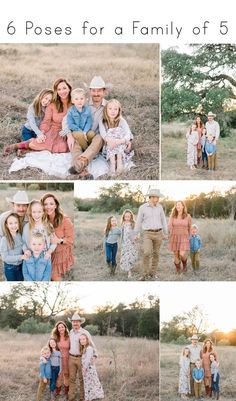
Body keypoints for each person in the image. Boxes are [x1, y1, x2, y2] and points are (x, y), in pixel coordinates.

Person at [68, 76, 108, 177]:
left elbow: (120, 120)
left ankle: (80, 164)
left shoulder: (108, 106)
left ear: (104, 91)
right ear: (90, 91)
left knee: (100, 138)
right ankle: (83, 172)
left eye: (99, 91)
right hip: (81, 135)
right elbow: (66, 120)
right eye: (93, 90)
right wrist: (69, 135)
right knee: (74, 143)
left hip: (94, 139)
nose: (96, 93)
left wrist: (128, 138)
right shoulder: (82, 101)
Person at [28, 78, 72, 153]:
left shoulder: (75, 102)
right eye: (59, 89)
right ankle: (20, 146)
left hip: (66, 133)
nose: (62, 91)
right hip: (52, 131)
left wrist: (69, 132)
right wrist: (42, 133)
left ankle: (46, 147)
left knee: (64, 148)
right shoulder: (52, 104)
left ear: (69, 88)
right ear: (56, 92)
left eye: (64, 88)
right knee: (34, 144)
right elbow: (46, 121)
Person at [3, 89, 53, 154]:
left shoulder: (47, 109)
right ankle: (15, 148)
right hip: (28, 131)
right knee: (30, 143)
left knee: (39, 144)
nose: (46, 102)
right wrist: (39, 134)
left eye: (49, 101)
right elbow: (32, 123)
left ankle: (23, 150)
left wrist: (41, 133)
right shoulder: (32, 107)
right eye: (46, 98)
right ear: (41, 96)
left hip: (38, 132)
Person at [134, 188, 168, 280]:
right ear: (151, 197)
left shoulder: (160, 207)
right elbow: (138, 221)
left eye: (158, 198)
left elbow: (163, 220)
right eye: (155, 197)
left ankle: (153, 273)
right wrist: (135, 233)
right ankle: (144, 274)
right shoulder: (143, 208)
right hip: (147, 233)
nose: (157, 199)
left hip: (159, 233)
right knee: (147, 252)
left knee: (156, 253)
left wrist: (166, 232)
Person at [41, 193, 74, 281]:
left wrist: (59, 240)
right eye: (45, 204)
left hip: (60, 252)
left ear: (56, 205)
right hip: (47, 252)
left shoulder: (65, 220)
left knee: (53, 276)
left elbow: (70, 240)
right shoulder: (43, 219)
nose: (48, 207)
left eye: (51, 204)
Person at [68, 312, 97, 401]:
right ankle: (71, 397)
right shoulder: (71, 332)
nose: (75, 323)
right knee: (71, 379)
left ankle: (82, 397)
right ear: (72, 322)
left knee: (82, 379)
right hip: (71, 358)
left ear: (80, 322)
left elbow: (91, 344)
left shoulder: (85, 332)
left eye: (77, 321)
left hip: (81, 358)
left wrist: (95, 355)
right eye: (73, 321)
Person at [99, 99, 133, 174]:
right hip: (109, 145)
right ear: (106, 110)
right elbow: (103, 134)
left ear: (119, 111)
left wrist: (118, 141)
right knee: (110, 133)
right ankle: (113, 163)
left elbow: (128, 134)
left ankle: (119, 161)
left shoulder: (121, 120)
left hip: (120, 144)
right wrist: (112, 141)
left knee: (118, 131)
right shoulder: (102, 121)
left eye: (115, 109)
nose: (113, 111)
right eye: (110, 109)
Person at [67, 87, 95, 152]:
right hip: (75, 130)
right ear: (72, 101)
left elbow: (89, 122)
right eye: (76, 99)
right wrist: (81, 131)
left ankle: (89, 145)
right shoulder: (71, 111)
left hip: (85, 130)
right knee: (80, 135)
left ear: (85, 100)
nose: (79, 101)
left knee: (92, 134)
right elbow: (71, 124)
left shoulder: (87, 110)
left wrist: (85, 131)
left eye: (81, 99)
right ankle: (86, 150)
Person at [0, 212, 27, 281]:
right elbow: (4, 257)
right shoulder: (4, 239)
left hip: (20, 266)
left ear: (19, 224)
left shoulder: (19, 235)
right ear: (6, 225)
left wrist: (26, 251)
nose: (14, 225)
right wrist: (20, 257)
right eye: (10, 223)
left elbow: (23, 245)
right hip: (10, 268)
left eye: (16, 223)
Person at [168, 201, 192, 273]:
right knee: (176, 254)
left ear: (183, 206)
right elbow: (169, 226)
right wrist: (169, 233)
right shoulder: (173, 216)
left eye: (179, 205)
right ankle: (178, 270)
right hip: (174, 236)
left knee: (182, 254)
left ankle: (184, 264)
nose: (177, 206)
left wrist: (190, 236)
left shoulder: (188, 216)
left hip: (184, 237)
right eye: (176, 205)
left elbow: (190, 227)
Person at [79, 334, 104, 401]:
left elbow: (87, 360)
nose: (82, 341)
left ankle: (93, 396)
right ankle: (89, 397)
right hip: (86, 368)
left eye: (83, 339)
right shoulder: (84, 348)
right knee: (88, 383)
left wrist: (84, 369)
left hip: (89, 369)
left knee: (91, 382)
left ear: (87, 340)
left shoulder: (89, 348)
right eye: (80, 339)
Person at [51, 321, 70, 397]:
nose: (61, 328)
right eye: (59, 327)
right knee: (59, 375)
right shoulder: (55, 337)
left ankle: (66, 391)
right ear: (57, 329)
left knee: (66, 375)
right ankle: (57, 391)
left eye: (62, 327)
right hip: (57, 359)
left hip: (67, 359)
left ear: (65, 328)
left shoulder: (68, 337)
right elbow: (50, 346)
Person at [120, 209, 138, 279]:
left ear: (131, 217)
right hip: (125, 244)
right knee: (126, 257)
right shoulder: (123, 224)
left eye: (128, 217)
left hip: (131, 243)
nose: (127, 218)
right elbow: (122, 234)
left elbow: (136, 232)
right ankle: (129, 272)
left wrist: (136, 237)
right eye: (126, 217)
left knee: (132, 256)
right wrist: (121, 242)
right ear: (124, 217)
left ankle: (130, 267)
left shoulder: (133, 224)